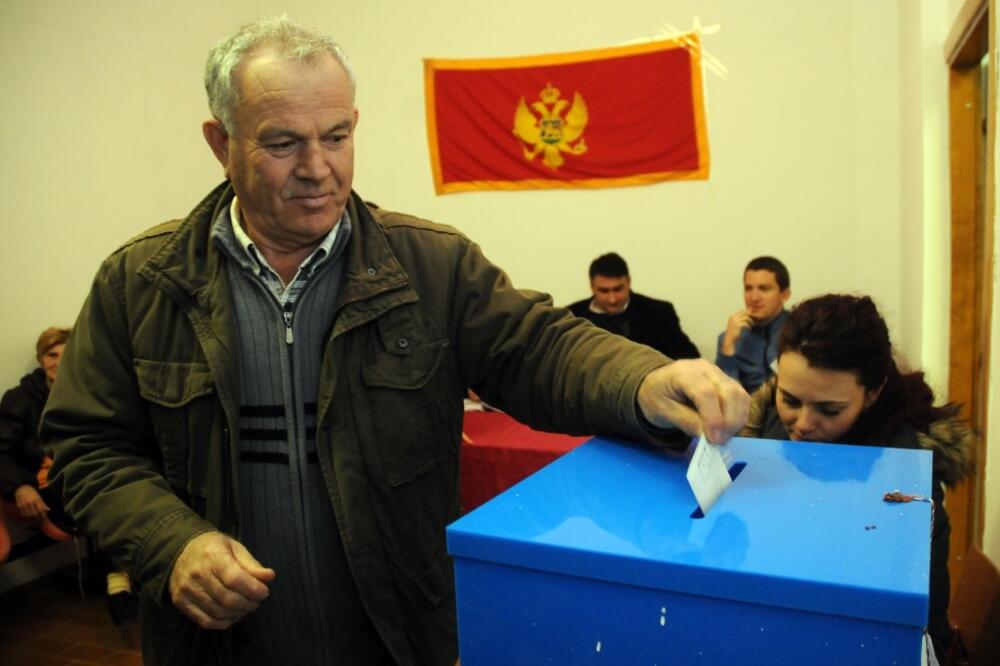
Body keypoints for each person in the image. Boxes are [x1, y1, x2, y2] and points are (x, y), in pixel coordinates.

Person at [39, 17, 748, 666]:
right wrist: (172, 544)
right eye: (283, 143)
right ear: (221, 144)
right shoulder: (141, 282)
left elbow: (539, 347)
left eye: (336, 136)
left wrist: (644, 380)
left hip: (399, 638)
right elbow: (86, 446)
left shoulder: (430, 265)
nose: (318, 167)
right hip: (215, 647)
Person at [738, 294, 975, 661]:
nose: (803, 424)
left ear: (872, 393)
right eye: (790, 399)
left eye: (829, 410)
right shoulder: (762, 427)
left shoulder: (907, 479)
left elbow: (923, 627)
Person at [0, 327, 138, 624]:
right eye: (51, 354)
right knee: (103, 501)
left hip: (77, 476)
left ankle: (125, 577)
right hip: (39, 486)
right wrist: (21, 487)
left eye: (66, 354)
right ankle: (118, 580)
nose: (58, 362)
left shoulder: (84, 393)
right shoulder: (18, 399)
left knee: (126, 489)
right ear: (41, 359)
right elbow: (1, 451)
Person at [567, 252, 700, 359]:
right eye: (604, 291)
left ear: (629, 282)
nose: (612, 299)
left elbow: (689, 357)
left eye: (618, 289)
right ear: (591, 286)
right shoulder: (571, 316)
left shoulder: (659, 312)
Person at [716, 255, 791, 393]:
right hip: (749, 405)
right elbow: (724, 396)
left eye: (764, 288)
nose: (754, 298)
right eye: (748, 288)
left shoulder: (801, 330)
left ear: (785, 295)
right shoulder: (730, 338)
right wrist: (728, 345)